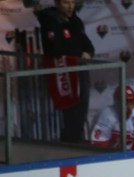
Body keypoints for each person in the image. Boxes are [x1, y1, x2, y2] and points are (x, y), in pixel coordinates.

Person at [36, 0, 95, 143]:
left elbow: (89, 47)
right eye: (66, 3)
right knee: (70, 116)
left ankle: (77, 145)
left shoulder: (76, 21)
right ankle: (68, 149)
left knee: (81, 115)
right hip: (64, 74)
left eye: (72, 3)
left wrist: (85, 53)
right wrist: (78, 54)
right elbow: (56, 49)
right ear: (57, 3)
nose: (70, 7)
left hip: (80, 74)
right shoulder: (50, 21)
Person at [90, 85, 134, 150]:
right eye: (125, 103)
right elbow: (98, 145)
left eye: (132, 103)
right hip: (111, 156)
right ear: (117, 103)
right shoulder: (107, 116)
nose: (129, 108)